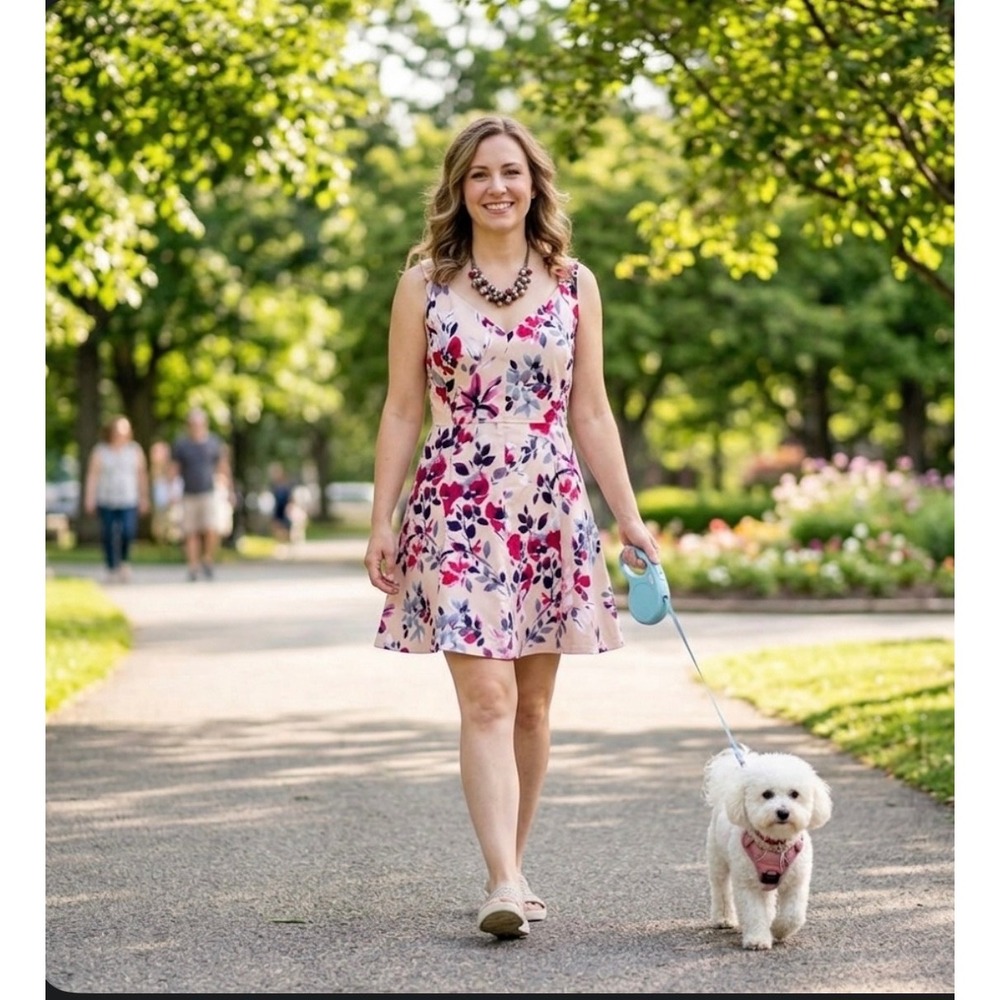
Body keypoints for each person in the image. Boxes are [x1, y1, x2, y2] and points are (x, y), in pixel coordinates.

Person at [363, 115, 660, 939]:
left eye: (513, 172)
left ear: (535, 184)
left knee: (532, 706)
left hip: (547, 500)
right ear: (459, 189)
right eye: (481, 175)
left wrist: (628, 520)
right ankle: (501, 879)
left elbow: (592, 411)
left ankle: (516, 869)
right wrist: (381, 518)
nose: (498, 187)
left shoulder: (574, 283)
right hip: (456, 496)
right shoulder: (423, 283)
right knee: (486, 697)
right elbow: (400, 407)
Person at [83, 414, 150, 583]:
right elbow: (93, 475)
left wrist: (144, 497)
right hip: (106, 498)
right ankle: (111, 566)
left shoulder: (134, 450)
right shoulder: (101, 450)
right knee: (107, 533)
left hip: (129, 498)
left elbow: (141, 475)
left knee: (128, 532)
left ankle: (124, 562)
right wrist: (89, 497)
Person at [171, 407, 231, 581]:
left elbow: (222, 466)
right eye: (193, 424)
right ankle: (193, 566)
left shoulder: (213, 442)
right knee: (190, 532)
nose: (196, 427)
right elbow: (175, 469)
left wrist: (228, 488)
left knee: (212, 529)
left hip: (209, 493)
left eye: (199, 423)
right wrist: (172, 490)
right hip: (188, 493)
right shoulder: (182, 444)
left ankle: (207, 559)